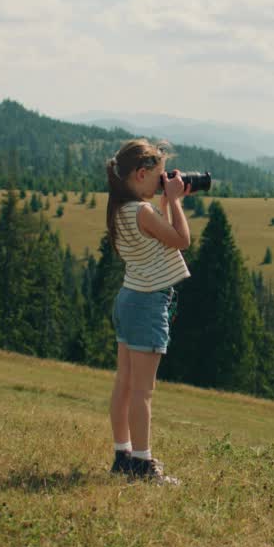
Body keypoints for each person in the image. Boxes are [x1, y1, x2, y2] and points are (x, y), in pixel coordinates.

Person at [104, 139, 191, 484]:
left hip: (129, 299)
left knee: (124, 384)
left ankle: (122, 455)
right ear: (141, 174)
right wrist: (175, 201)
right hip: (146, 303)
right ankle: (142, 465)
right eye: (157, 178)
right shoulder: (142, 211)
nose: (160, 184)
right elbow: (181, 240)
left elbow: (164, 236)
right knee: (143, 391)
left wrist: (167, 201)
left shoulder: (121, 208)